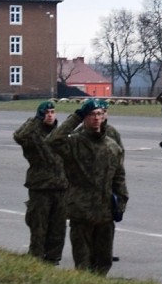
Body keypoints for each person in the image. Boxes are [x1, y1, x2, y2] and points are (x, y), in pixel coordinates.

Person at [47, 98, 128, 275]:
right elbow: (53, 141)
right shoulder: (75, 143)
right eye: (91, 114)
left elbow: (119, 178)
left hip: (105, 213)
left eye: (99, 114)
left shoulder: (112, 146)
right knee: (83, 264)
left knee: (103, 262)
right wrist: (76, 116)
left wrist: (121, 203)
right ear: (85, 117)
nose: (96, 118)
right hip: (81, 212)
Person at [13, 101, 68, 264]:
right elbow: (19, 136)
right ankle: (36, 256)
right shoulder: (33, 134)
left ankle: (53, 258)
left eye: (52, 112)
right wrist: (35, 120)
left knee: (58, 227)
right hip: (40, 186)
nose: (50, 115)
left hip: (61, 186)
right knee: (39, 225)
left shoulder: (60, 134)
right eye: (46, 112)